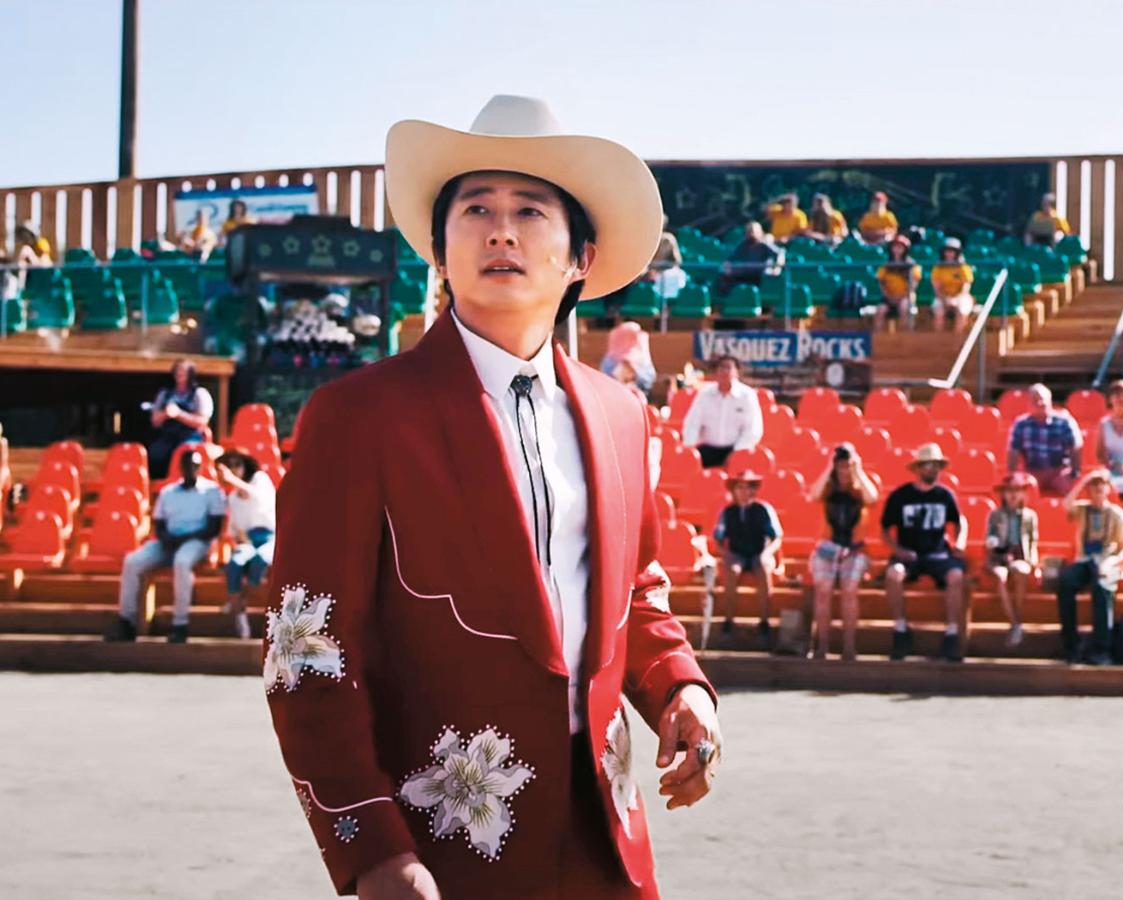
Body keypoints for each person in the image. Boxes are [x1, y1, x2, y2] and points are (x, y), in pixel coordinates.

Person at [264, 95, 720, 899]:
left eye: (530, 211)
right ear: (440, 251)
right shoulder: (357, 417)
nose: (501, 231)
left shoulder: (622, 415)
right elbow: (304, 651)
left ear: (581, 256)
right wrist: (371, 848)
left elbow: (634, 590)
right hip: (443, 850)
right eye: (476, 209)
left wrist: (679, 685)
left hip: (609, 847)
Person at [105, 448, 226, 645]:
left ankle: (180, 624)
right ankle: (126, 621)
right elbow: (159, 524)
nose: (191, 469)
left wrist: (184, 538)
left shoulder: (212, 491)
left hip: (197, 541)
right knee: (132, 561)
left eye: (195, 465)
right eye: (187, 465)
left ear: (200, 467)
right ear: (181, 468)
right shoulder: (168, 492)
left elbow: (214, 528)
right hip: (168, 541)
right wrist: (166, 538)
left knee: (182, 562)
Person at [881, 443, 968, 662]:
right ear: (918, 468)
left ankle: (951, 634)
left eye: (936, 465)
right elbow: (884, 528)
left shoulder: (945, 495)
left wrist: (959, 543)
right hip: (909, 554)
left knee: (956, 575)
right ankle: (901, 630)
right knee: (893, 574)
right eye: (927, 465)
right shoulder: (900, 495)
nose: (932, 470)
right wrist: (897, 550)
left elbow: (960, 522)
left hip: (938, 554)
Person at [806, 443, 879, 661]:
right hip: (828, 546)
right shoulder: (828, 488)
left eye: (847, 466)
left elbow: (872, 498)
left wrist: (858, 470)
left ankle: (849, 646)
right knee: (823, 590)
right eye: (841, 466)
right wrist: (829, 467)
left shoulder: (860, 487)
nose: (844, 471)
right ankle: (822, 645)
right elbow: (814, 494)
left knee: (849, 589)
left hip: (854, 549)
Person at [1056, 469, 1123, 665]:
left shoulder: (1117, 514)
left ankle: (1101, 648)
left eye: (1101, 485)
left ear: (1108, 488)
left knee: (1102, 588)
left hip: (1108, 561)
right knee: (1066, 583)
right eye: (1094, 485)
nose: (1098, 489)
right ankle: (1071, 645)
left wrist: (1108, 564)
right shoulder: (1082, 509)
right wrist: (1083, 482)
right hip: (1085, 560)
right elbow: (1066, 504)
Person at [712, 469, 782, 643]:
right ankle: (728, 620)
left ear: (753, 490)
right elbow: (718, 538)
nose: (744, 492)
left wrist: (767, 553)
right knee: (731, 570)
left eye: (748, 487)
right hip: (737, 553)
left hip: (759, 552)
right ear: (734, 490)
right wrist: (726, 554)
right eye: (740, 487)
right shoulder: (727, 512)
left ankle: (764, 621)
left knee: (763, 568)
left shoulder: (763, 509)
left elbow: (776, 537)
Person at [216, 446, 276, 640]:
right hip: (248, 540)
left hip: (270, 538)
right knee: (235, 563)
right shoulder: (232, 498)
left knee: (260, 560)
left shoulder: (260, 479)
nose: (234, 469)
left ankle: (240, 599)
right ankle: (239, 614)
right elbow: (234, 529)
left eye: (237, 464)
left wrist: (231, 479)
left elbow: (256, 496)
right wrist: (240, 537)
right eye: (229, 466)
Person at [985, 472, 1039, 648]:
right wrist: (993, 545)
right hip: (999, 557)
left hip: (1020, 556)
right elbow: (989, 539)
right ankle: (1015, 622)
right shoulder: (995, 515)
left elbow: (1033, 541)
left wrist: (1034, 562)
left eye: (1017, 490)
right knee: (1000, 575)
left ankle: (1016, 623)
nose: (1013, 495)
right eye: (1009, 490)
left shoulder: (1030, 516)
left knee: (1020, 571)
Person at [681, 355, 764, 468]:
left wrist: (737, 452)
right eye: (721, 367)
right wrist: (690, 448)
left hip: (737, 450)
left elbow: (753, 429)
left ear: (737, 372)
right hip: (708, 450)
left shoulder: (747, 396)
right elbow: (692, 424)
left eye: (728, 367)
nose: (724, 371)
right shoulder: (704, 394)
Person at [1007, 384, 1083, 497]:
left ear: (1050, 401)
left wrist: (1075, 473)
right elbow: (1013, 450)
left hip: (1059, 471)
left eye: (1042, 399)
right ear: (1029, 403)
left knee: (1072, 488)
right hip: (1033, 471)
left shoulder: (1064, 421)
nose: (1039, 403)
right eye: (1034, 400)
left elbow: (1075, 446)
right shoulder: (1021, 424)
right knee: (1020, 490)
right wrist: (1012, 476)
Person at [147, 359, 215, 479]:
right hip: (168, 436)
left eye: (183, 370)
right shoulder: (165, 394)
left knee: (184, 454)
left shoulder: (199, 394)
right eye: (177, 370)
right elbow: (155, 421)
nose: (179, 373)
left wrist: (179, 414)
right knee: (155, 453)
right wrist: (165, 414)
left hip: (191, 436)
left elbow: (202, 421)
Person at [715, 221, 782, 298]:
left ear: (759, 232)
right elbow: (731, 259)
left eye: (753, 231)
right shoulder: (743, 245)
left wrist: (777, 268)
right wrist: (727, 265)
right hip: (745, 273)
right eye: (749, 231)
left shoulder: (765, 245)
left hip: (759, 275)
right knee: (724, 276)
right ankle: (726, 300)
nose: (751, 234)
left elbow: (780, 253)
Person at [874, 235, 921, 332]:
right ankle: (880, 337)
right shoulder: (886, 265)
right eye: (894, 247)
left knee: (904, 307)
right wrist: (889, 296)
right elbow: (881, 284)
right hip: (889, 297)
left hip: (906, 297)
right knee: (880, 310)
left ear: (905, 249)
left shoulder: (912, 265)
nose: (897, 250)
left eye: (900, 247)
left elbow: (913, 286)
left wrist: (900, 297)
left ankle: (902, 336)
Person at [930, 237, 975, 333]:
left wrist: (955, 299)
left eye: (952, 251)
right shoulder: (938, 267)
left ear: (957, 253)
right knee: (938, 311)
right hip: (942, 297)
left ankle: (957, 338)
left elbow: (966, 289)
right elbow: (936, 289)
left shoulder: (963, 267)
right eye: (947, 251)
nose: (949, 254)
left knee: (962, 311)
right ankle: (939, 338)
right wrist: (945, 299)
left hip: (961, 296)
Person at [600, 320, 656, 395]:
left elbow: (649, 380)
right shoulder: (610, 360)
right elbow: (605, 380)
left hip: (638, 396)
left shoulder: (643, 358)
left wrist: (635, 371)